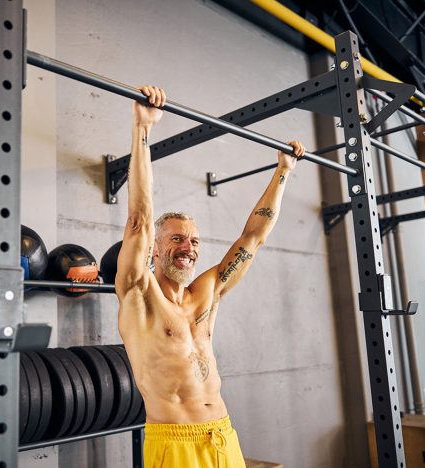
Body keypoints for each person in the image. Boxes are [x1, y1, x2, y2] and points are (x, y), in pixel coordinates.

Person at [115, 85, 305, 467]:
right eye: (177, 239)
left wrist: (283, 171)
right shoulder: (139, 294)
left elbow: (254, 236)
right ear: (155, 247)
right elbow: (138, 220)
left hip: (221, 434)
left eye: (194, 240)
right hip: (174, 444)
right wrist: (143, 129)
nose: (188, 248)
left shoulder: (207, 291)